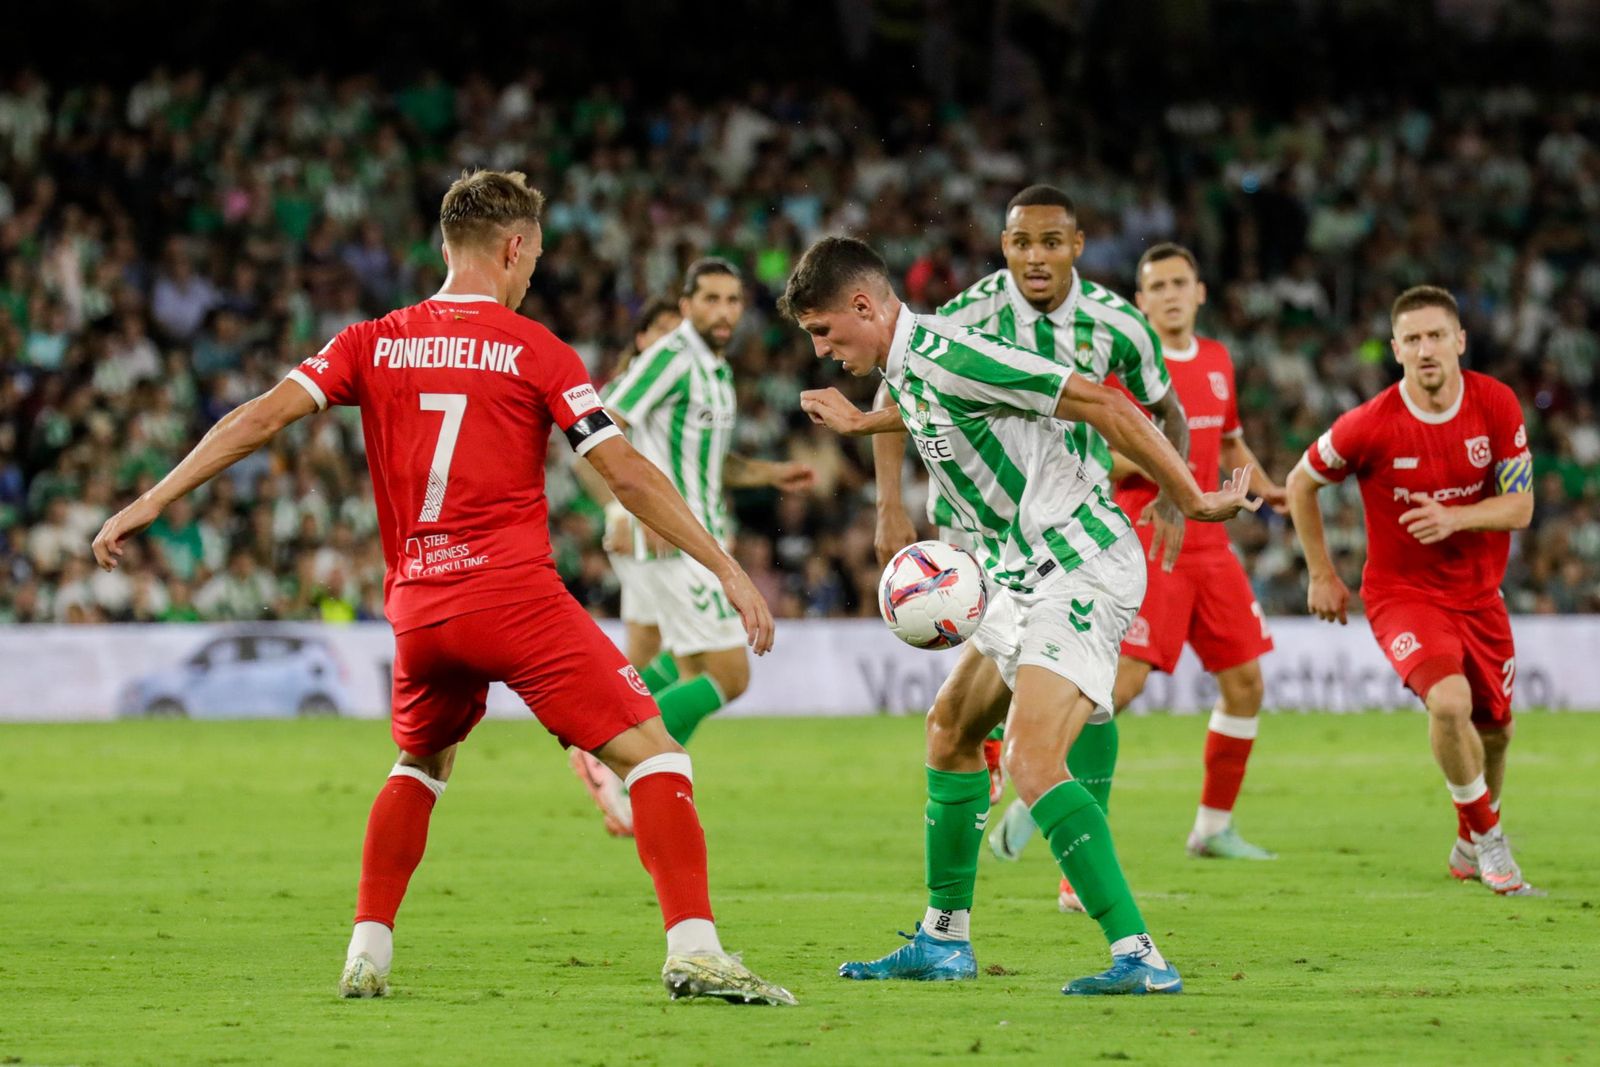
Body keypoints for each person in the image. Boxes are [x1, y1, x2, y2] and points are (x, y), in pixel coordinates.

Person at [91, 169, 797, 1005]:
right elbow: (628, 473)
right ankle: (696, 950)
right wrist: (725, 565)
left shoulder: (371, 340)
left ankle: (366, 952)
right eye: (535, 255)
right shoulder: (536, 349)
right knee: (657, 753)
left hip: (420, 611)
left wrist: (153, 499)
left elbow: (259, 416)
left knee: (421, 762)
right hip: (514, 601)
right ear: (513, 248)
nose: (533, 272)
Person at [787, 236, 1257, 996]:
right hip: (1017, 573)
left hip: (1079, 563)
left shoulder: (952, 353)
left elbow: (1105, 402)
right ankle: (944, 940)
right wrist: (862, 429)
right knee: (950, 730)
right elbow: (926, 410)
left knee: (1032, 762)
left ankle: (1141, 955)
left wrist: (1194, 499)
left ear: (864, 306)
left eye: (823, 330)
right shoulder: (909, 367)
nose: (820, 349)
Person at [873, 184, 1189, 908]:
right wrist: (889, 504)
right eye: (1021, 243)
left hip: (1072, 530)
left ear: (1077, 245)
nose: (1036, 257)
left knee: (1086, 686)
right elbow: (895, 397)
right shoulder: (967, 314)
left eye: (1051, 242)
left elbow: (1166, 409)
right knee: (992, 705)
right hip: (978, 533)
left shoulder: (1118, 323)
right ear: (1004, 247)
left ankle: (1067, 858)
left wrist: (1176, 495)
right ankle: (992, 771)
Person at [988, 243, 1284, 893]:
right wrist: (1173, 481)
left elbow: (1228, 439)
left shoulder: (1217, 359)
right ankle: (1040, 785)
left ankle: (1212, 827)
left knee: (1245, 683)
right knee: (1117, 684)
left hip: (1211, 543)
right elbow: (1103, 451)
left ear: (1200, 292)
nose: (1172, 295)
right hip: (1148, 532)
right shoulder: (1123, 368)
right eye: (1159, 286)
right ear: (1141, 302)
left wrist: (1267, 486)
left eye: (1181, 283)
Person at [1286, 285, 1539, 896]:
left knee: (1496, 732)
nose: (1426, 349)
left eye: (1436, 336)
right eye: (1413, 339)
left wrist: (1456, 517)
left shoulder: (1496, 403)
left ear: (1460, 341)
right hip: (1403, 595)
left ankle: (1467, 843)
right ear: (1396, 349)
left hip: (1480, 596)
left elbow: (1521, 506)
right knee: (1449, 704)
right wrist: (1320, 573)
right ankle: (1491, 841)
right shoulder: (1370, 424)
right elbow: (1300, 482)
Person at [596, 258, 814, 746]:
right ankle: (612, 751)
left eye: (732, 300)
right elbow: (604, 424)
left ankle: (644, 773)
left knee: (688, 668)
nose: (724, 311)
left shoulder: (716, 369)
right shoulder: (673, 356)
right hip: (679, 542)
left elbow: (706, 461)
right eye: (711, 299)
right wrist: (627, 507)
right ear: (686, 305)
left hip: (701, 539)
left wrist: (770, 472)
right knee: (729, 675)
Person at [567, 296, 682, 836]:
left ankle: (614, 770)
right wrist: (619, 510)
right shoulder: (630, 386)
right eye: (662, 330)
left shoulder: (678, 383)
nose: (672, 341)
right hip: (646, 537)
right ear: (640, 338)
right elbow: (584, 455)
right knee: (698, 656)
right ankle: (617, 757)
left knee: (644, 654)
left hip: (659, 536)